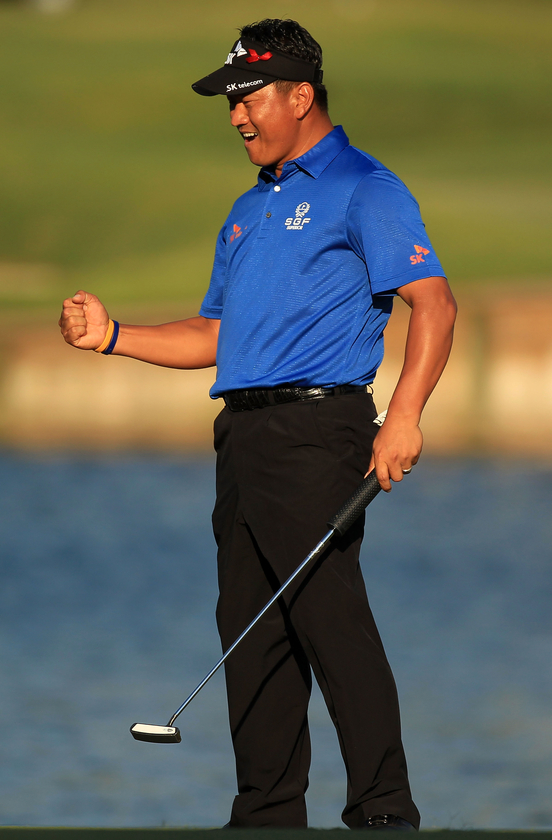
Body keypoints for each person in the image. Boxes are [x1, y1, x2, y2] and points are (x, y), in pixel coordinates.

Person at [59, 18, 457, 831]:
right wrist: (113, 336)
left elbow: (436, 304)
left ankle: (384, 809)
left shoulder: (365, 188)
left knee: (327, 616)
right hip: (240, 437)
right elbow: (216, 335)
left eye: (249, 98)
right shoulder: (247, 211)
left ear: (300, 96)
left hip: (318, 428)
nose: (236, 115)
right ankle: (267, 814)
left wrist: (405, 417)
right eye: (230, 102)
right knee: (251, 626)